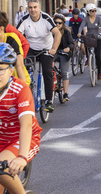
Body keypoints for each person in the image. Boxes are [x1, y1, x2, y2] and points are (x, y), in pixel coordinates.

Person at [0, 43, 42, 194]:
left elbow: (26, 126)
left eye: (0, 70)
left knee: (1, 168)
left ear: (11, 70)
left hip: (21, 139)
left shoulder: (20, 89)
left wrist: (22, 157)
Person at [16, 0, 61, 112]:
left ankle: (49, 101)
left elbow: (57, 34)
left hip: (46, 49)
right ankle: (26, 93)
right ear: (28, 8)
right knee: (22, 69)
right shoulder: (24, 20)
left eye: (35, 7)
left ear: (39, 8)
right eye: (30, 7)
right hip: (30, 49)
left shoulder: (46, 18)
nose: (33, 10)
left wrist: (54, 49)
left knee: (47, 71)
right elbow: (16, 36)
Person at [77, 3, 101, 81]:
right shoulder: (86, 19)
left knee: (97, 55)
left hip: (97, 37)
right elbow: (81, 26)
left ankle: (99, 73)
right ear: (88, 12)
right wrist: (79, 32)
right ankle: (87, 58)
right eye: (92, 11)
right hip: (89, 36)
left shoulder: (99, 18)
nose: (93, 12)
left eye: (94, 11)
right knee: (85, 42)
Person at [0, 12, 30, 86]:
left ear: (1, 29)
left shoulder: (11, 39)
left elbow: (19, 65)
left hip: (16, 81)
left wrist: (23, 88)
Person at [53, 14, 74, 102]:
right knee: (48, 69)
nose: (57, 25)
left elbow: (72, 44)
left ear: (63, 24)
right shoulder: (50, 31)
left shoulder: (66, 32)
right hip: (54, 52)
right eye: (55, 23)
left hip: (64, 53)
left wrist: (68, 48)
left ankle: (65, 94)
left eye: (59, 23)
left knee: (64, 72)